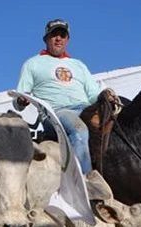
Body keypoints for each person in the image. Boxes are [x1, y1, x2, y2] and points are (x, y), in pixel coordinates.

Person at [14, 18, 114, 174]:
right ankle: (85, 181)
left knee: (119, 125)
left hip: (86, 109)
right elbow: (18, 100)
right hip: (55, 113)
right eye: (54, 35)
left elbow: (93, 94)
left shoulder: (78, 64)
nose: (58, 38)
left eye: (62, 35)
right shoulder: (32, 64)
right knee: (79, 130)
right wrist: (21, 100)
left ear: (67, 39)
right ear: (46, 39)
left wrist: (106, 98)